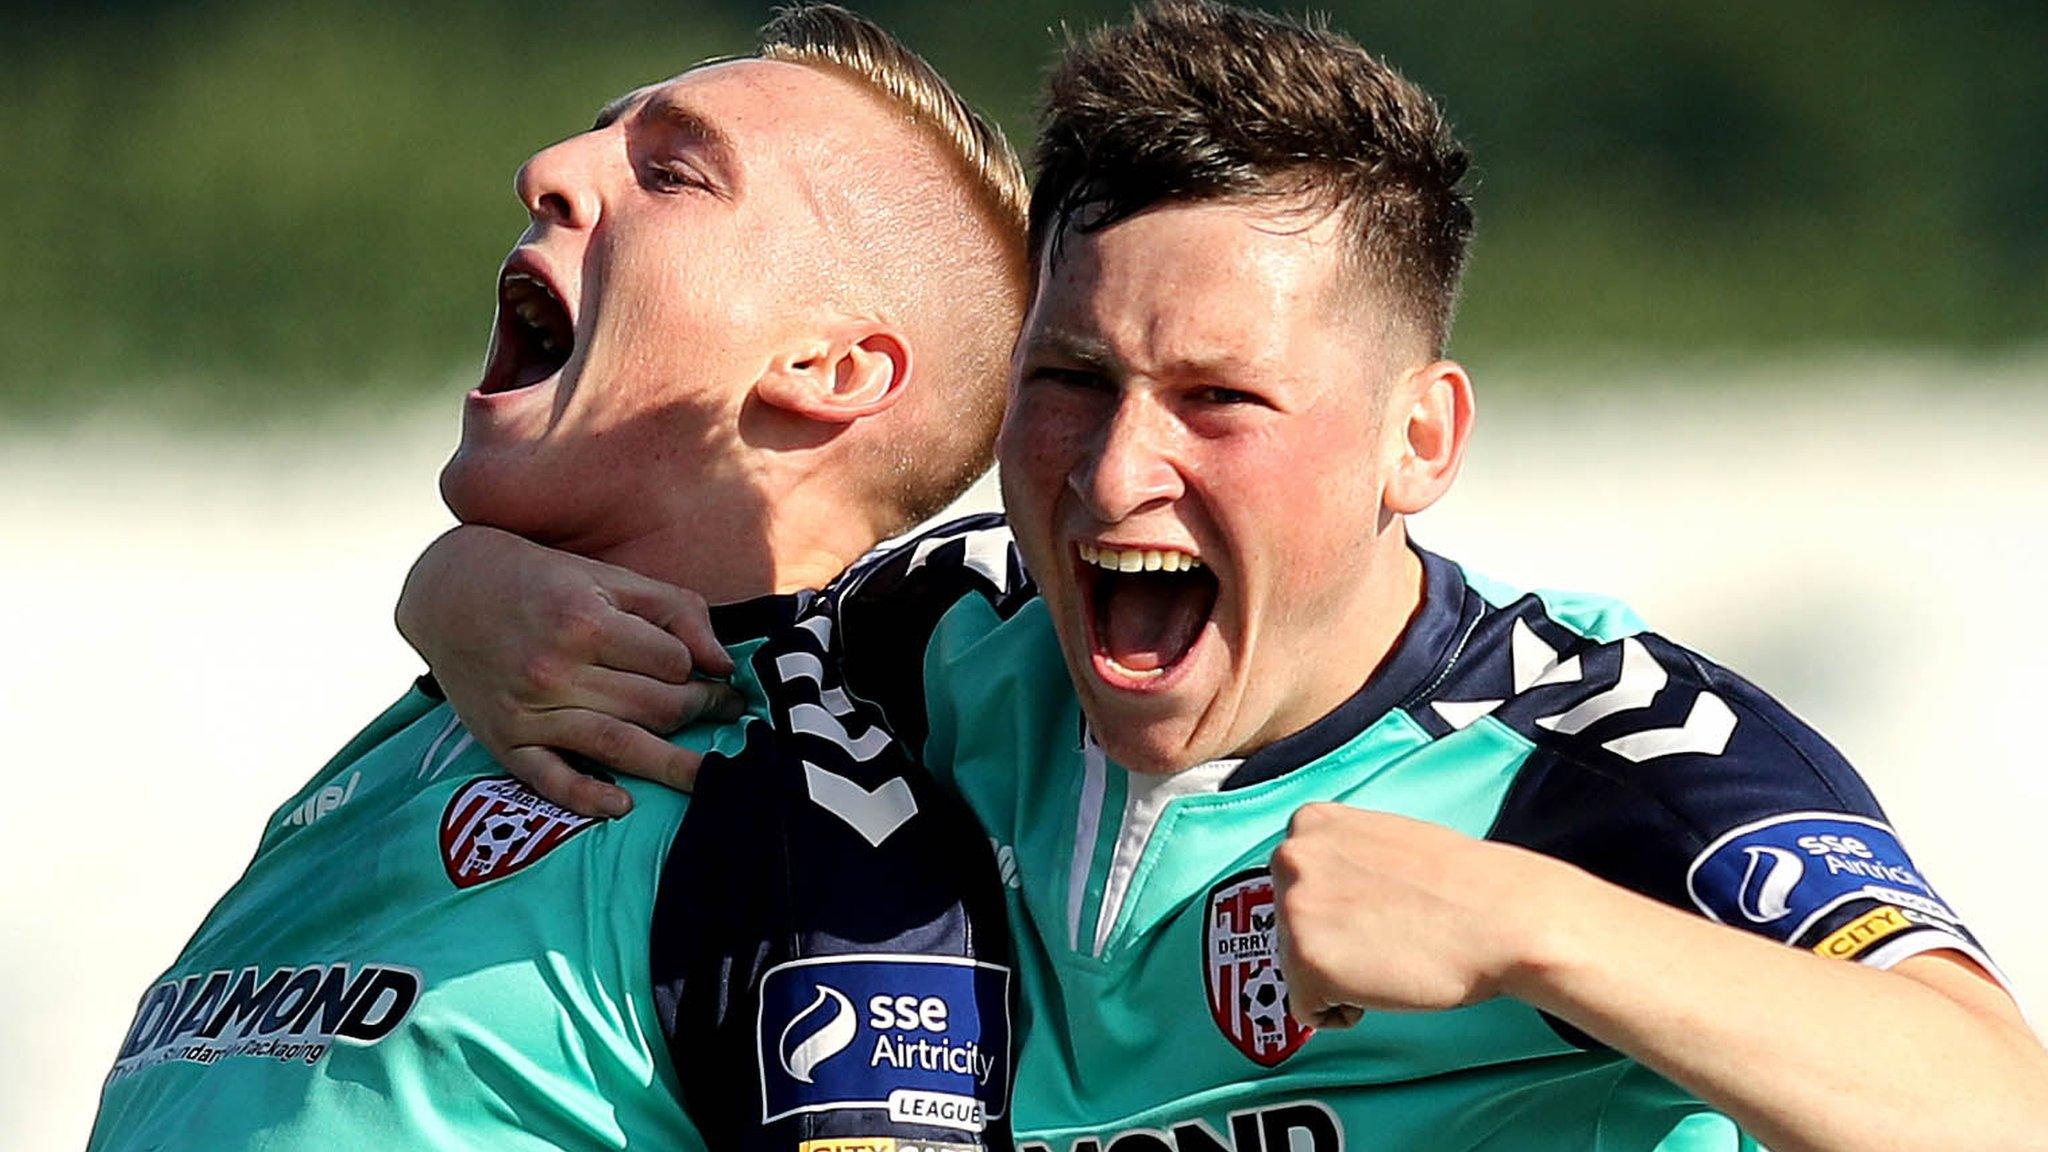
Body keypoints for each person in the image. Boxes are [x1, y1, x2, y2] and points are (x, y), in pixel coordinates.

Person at [400, 3, 2048, 1150]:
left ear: (1420, 438)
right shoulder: (934, 649)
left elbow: (1991, 1104)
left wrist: (1526, 926)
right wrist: (463, 590)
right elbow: (688, 594)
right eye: (1068, 382)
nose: (1115, 471)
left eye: (1216, 401)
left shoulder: (1595, 760)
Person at [88, 7, 1030, 1151]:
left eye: (673, 174)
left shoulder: (804, 815)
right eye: (594, 136)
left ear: (828, 369)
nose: (545, 171)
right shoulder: (431, 718)